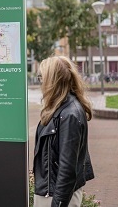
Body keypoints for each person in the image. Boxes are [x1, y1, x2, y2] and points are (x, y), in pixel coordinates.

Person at [33, 56, 94, 207]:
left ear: (52, 81)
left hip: (56, 196)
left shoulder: (69, 114)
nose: (40, 81)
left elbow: (67, 168)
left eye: (42, 77)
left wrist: (58, 203)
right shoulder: (59, 108)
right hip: (51, 192)